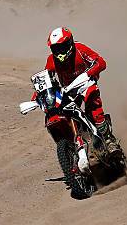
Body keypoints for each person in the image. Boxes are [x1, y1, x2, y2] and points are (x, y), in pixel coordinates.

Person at [42, 26, 121, 157]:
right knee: (58, 112)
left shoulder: (80, 50)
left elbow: (101, 62)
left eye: (62, 47)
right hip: (67, 90)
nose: (59, 51)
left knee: (93, 105)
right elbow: (46, 80)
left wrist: (88, 74)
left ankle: (109, 140)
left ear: (70, 42)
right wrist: (38, 95)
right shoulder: (51, 60)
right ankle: (71, 146)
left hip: (86, 84)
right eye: (56, 48)